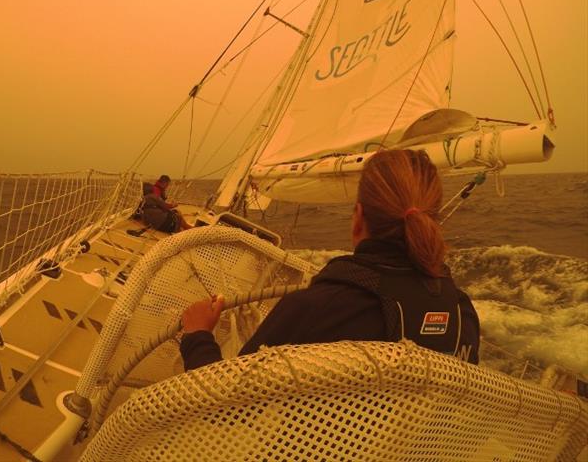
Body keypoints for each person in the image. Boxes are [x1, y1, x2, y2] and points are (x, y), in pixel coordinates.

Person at [180, 149, 480, 371]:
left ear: (358, 218)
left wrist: (198, 335)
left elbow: (223, 412)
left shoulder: (315, 310)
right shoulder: (461, 313)